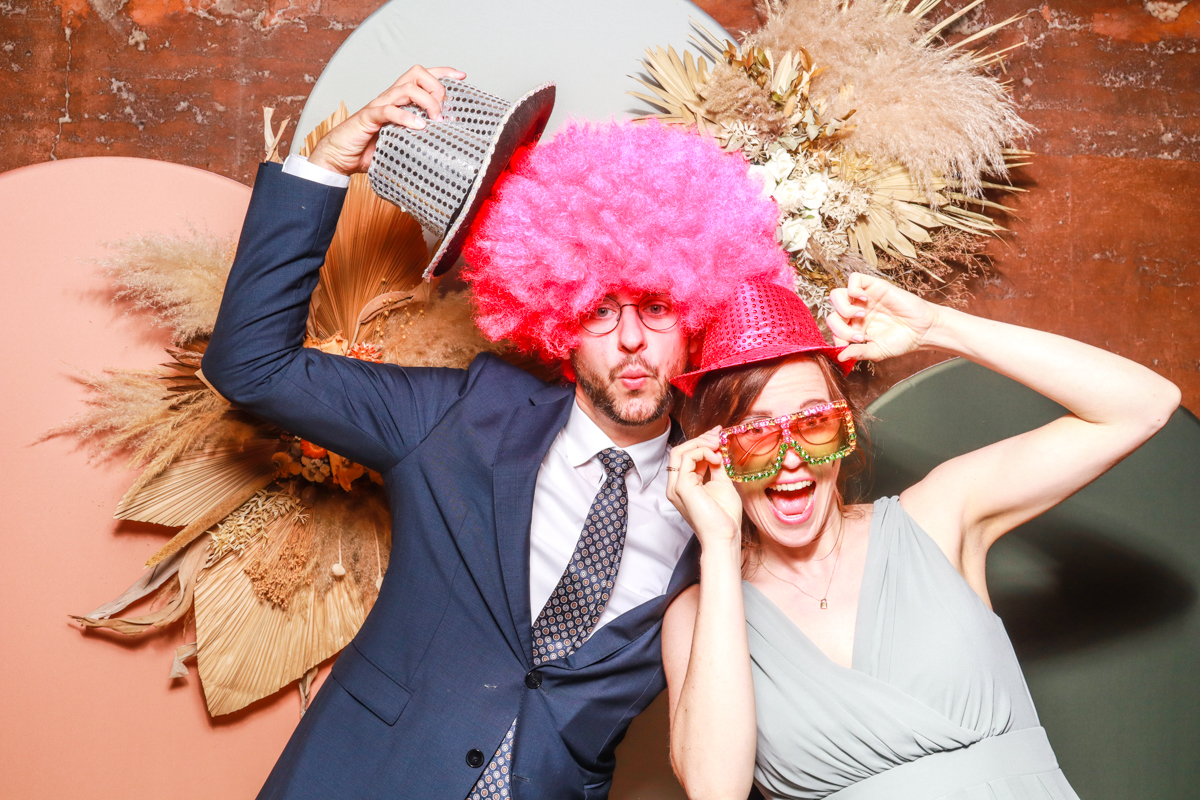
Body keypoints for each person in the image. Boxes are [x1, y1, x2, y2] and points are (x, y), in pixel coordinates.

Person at [201, 66, 792, 799]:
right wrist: (323, 167)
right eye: (600, 311)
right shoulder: (464, 415)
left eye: (658, 308)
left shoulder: (726, 501)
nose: (633, 340)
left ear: (697, 318)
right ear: (555, 320)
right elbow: (252, 366)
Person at [661, 277, 1181, 800]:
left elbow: (1145, 405)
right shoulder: (699, 613)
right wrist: (721, 546)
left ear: (845, 431)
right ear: (714, 454)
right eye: (756, 433)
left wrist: (939, 327)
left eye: (814, 422)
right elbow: (715, 791)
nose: (791, 457)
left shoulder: (937, 515)